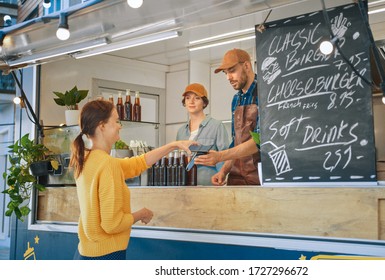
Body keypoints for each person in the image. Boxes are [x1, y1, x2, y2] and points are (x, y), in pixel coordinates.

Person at [70, 99, 196, 260]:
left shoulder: (86, 159)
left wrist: (173, 145)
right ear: (102, 126)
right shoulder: (107, 164)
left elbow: (136, 164)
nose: (119, 126)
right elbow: (112, 224)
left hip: (84, 253)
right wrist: (140, 214)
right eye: (116, 121)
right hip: (106, 256)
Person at [194, 48, 260, 186]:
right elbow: (236, 142)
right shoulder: (236, 99)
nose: (228, 77)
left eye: (232, 71)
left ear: (247, 66)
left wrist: (220, 156)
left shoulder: (266, 93)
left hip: (260, 177)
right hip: (237, 177)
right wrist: (223, 171)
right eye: (225, 73)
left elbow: (260, 141)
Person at [176, 83, 230, 185]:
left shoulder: (216, 126)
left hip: (209, 186)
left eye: (197, 98)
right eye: (188, 98)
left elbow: (225, 156)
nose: (191, 101)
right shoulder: (181, 131)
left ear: (204, 103)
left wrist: (222, 176)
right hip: (184, 185)